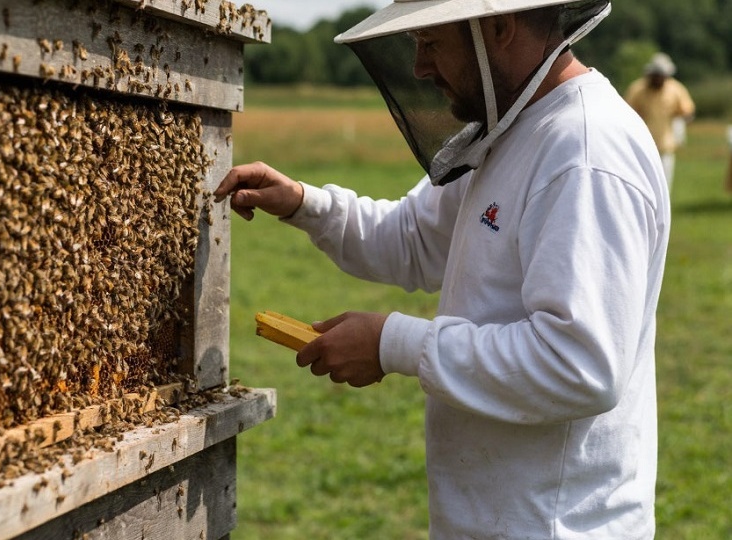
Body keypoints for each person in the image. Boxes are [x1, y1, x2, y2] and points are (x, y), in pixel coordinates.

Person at [216, 0, 668, 538]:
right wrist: (302, 203)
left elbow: (578, 365)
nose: (419, 68)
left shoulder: (585, 151)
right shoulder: (512, 131)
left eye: (431, 43)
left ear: (498, 27)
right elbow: (413, 239)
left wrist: (392, 342)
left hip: (553, 525)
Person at [625, 52, 696, 194]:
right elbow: (626, 112)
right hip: (640, 146)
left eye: (662, 75)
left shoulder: (675, 89)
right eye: (656, 75)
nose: (659, 79)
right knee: (642, 186)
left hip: (665, 146)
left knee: (663, 187)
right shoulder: (637, 89)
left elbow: (687, 111)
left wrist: (681, 116)